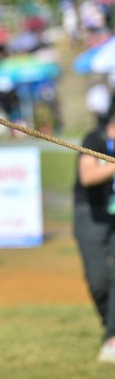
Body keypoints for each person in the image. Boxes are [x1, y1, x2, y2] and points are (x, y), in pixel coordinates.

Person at [74, 107, 115, 362]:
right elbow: (88, 176)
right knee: (98, 282)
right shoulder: (95, 139)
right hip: (91, 215)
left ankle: (113, 336)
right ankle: (109, 322)